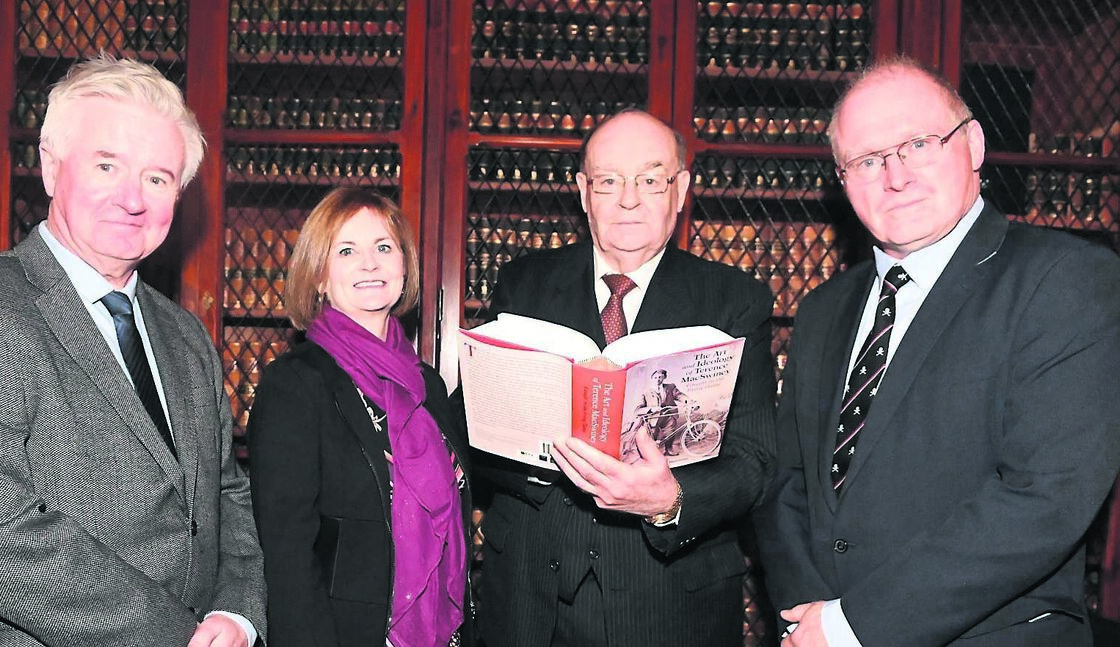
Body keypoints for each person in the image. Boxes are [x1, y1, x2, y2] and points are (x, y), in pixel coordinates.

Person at [755, 55, 1120, 646]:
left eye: (918, 144)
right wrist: (808, 614)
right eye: (867, 160)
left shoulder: (1066, 279)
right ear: (841, 180)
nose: (894, 176)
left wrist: (853, 627)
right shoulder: (824, 309)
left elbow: (1044, 499)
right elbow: (786, 482)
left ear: (973, 144)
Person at [0, 55, 266, 646]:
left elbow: (226, 494)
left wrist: (238, 614)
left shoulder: (186, 337)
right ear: (51, 169)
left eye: (157, 178)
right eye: (107, 165)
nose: (132, 199)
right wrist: (176, 636)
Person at [473, 108, 778, 647]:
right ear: (583, 192)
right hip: (530, 600)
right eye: (609, 181)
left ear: (680, 189)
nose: (629, 199)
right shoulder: (524, 283)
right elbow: (471, 421)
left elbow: (754, 459)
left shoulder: (733, 299)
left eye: (650, 179)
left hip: (670, 601)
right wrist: (539, 462)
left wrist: (671, 499)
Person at [246, 187, 472, 647]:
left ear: (404, 268)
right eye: (347, 250)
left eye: (383, 248)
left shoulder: (429, 386)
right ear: (320, 277)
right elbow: (285, 553)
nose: (370, 263)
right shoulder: (295, 385)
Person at [631, 368, 692, 455]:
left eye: (660, 377)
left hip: (669, 415)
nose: (657, 379)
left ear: (664, 378)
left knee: (670, 432)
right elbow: (637, 409)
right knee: (652, 435)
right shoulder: (646, 392)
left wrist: (689, 401)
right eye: (655, 377)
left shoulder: (670, 387)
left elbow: (680, 396)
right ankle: (649, 453)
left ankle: (669, 449)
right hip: (653, 417)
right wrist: (651, 409)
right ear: (652, 379)